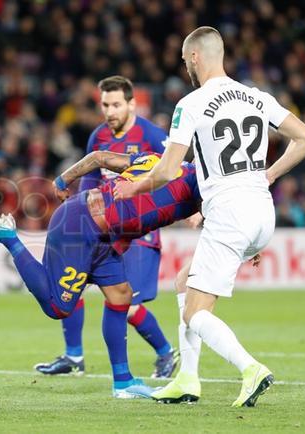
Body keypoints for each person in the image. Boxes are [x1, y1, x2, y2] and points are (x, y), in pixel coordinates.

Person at [113, 26, 305, 407]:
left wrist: (131, 188)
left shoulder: (191, 104)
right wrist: (270, 174)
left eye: (184, 60)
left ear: (194, 57)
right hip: (261, 211)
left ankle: (251, 368)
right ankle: (187, 380)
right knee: (183, 281)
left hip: (231, 213)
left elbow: (167, 169)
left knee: (194, 314)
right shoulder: (257, 97)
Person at [0, 150, 200, 398]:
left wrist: (63, 179)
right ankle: (9, 237)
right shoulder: (203, 183)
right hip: (79, 226)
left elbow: (100, 158)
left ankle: (123, 382)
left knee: (121, 296)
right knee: (57, 308)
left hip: (103, 234)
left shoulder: (154, 159)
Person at [34, 76, 178, 379]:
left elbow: (176, 176)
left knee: (125, 303)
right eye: (105, 105)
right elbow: (90, 183)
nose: (110, 111)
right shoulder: (97, 137)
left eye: (116, 105)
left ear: (132, 104)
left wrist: (188, 212)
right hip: (104, 228)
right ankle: (74, 356)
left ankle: (166, 353)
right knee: (72, 283)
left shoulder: (153, 136)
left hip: (140, 230)